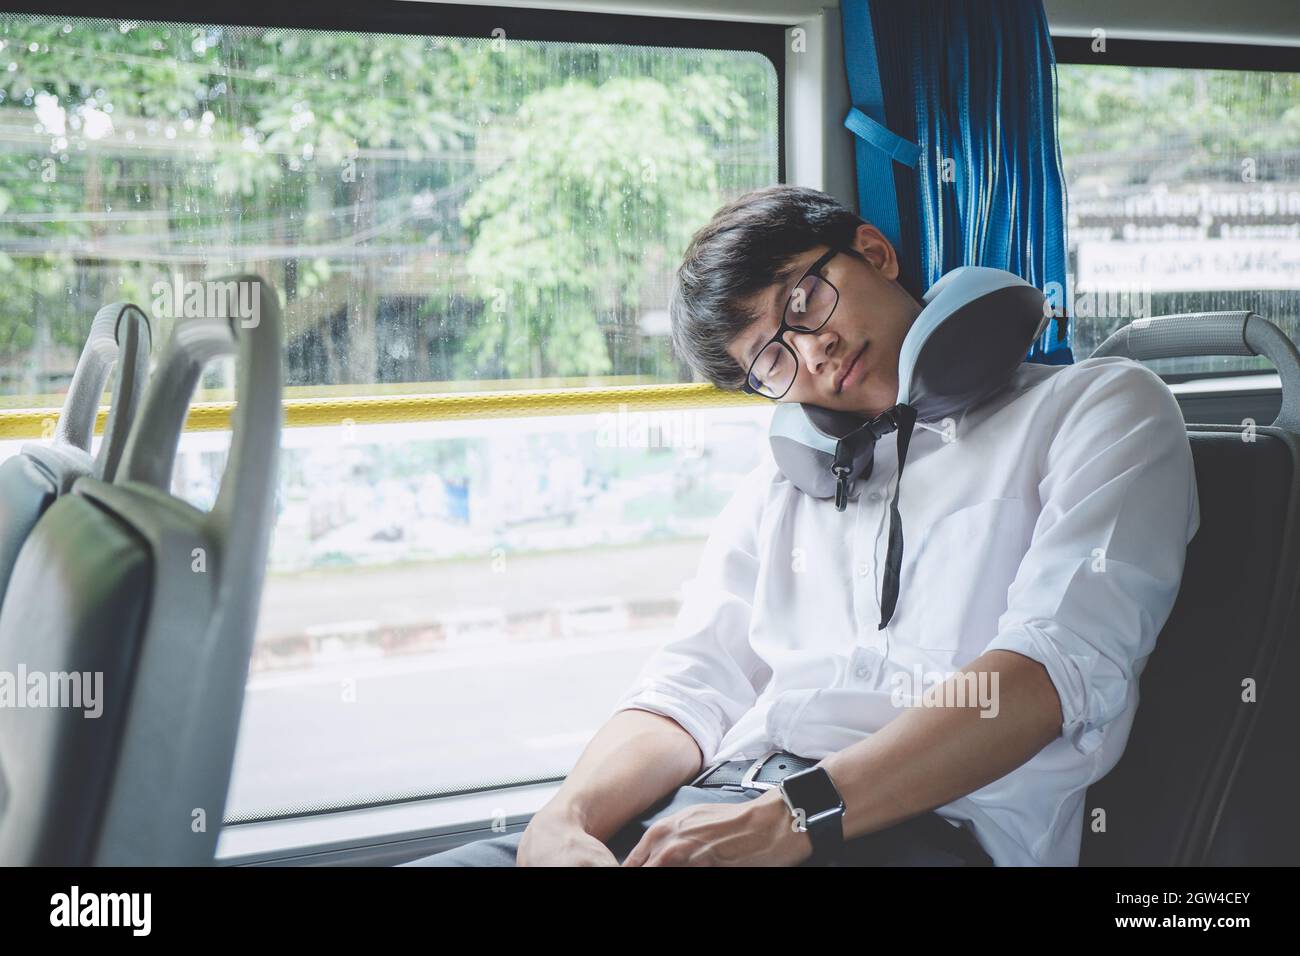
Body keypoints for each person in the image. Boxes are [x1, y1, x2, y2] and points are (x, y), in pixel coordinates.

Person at [403, 185, 1199, 867]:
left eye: (803, 299)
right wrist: (565, 818)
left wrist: (794, 819)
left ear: (875, 252)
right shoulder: (782, 487)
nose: (811, 350)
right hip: (720, 809)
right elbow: (691, 685)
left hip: (924, 833)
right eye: (770, 359)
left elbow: (1044, 676)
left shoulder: (1094, 409)